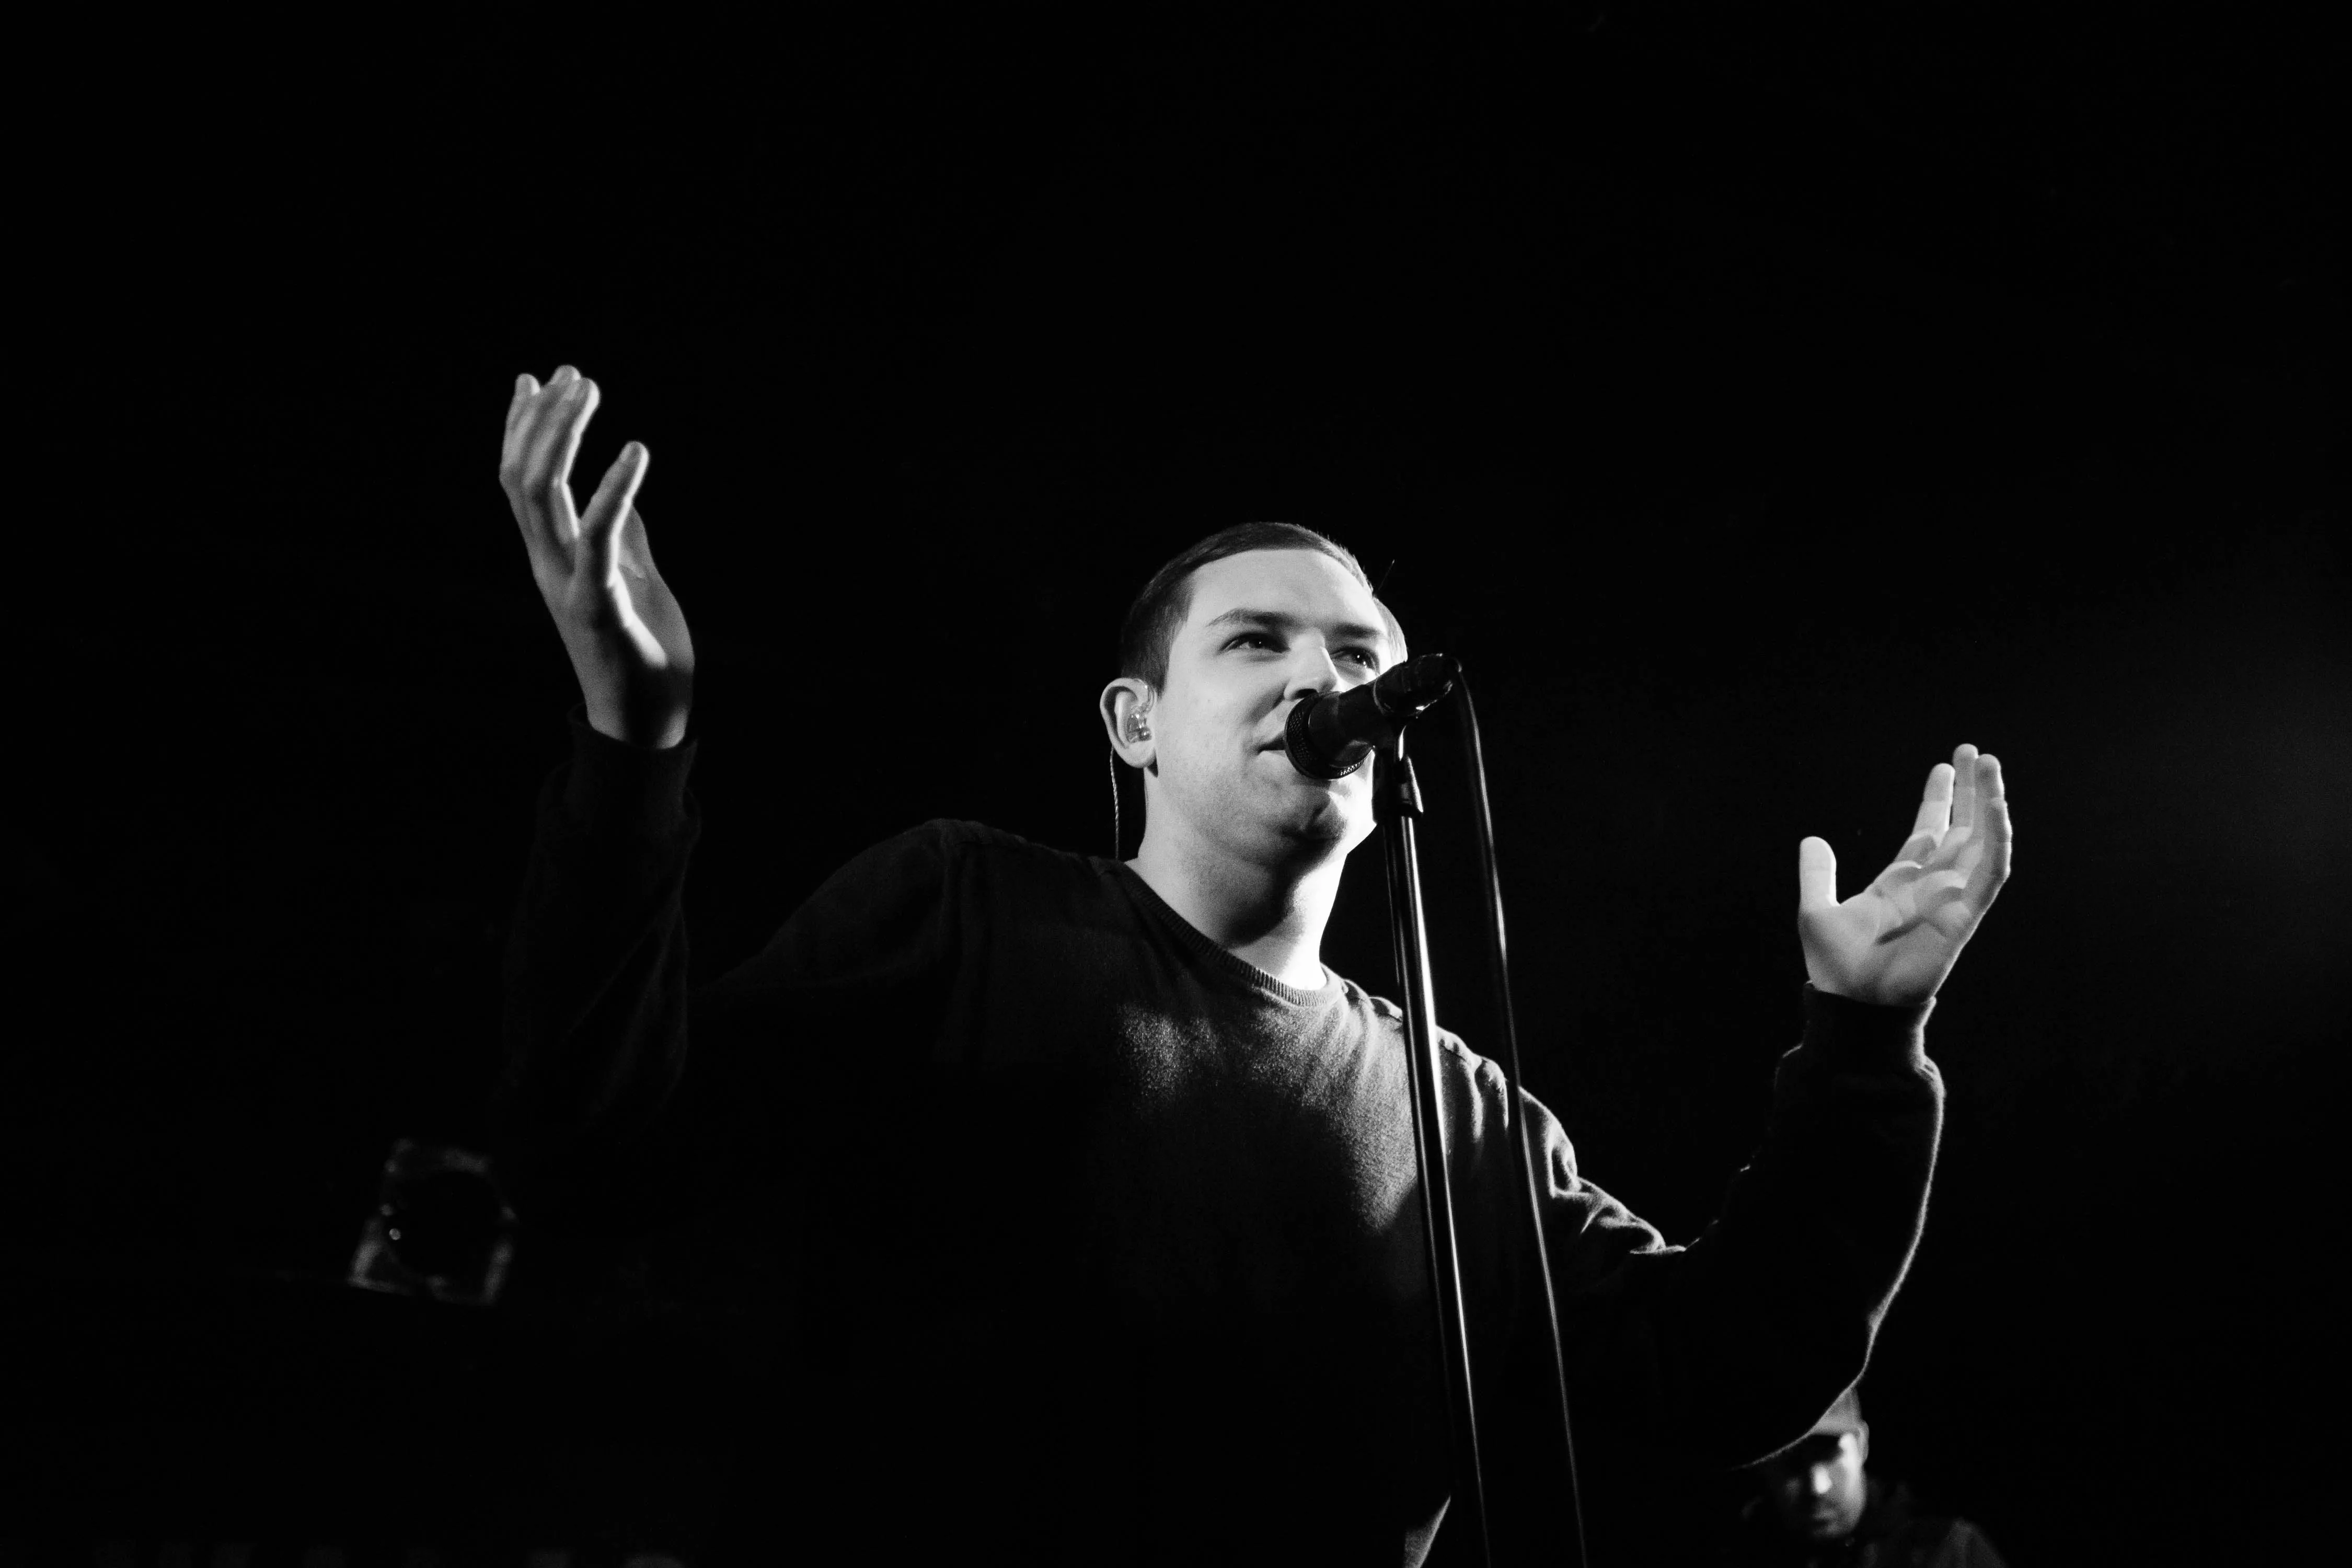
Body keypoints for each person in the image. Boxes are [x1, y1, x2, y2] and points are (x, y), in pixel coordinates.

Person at [490, 364, 2014, 1565]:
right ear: (1135, 724)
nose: (1319, 676)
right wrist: (635, 742)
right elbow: (600, 1147)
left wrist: (1865, 1037)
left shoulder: (1462, 1120)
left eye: (1357, 654)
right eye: (1254, 641)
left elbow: (1734, 1369)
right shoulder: (968, 911)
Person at [1727, 1388, 2011, 1567]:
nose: (1817, 1486)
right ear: (1760, 1466)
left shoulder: (1950, 1550)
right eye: (1791, 1465)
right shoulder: (1735, 1553)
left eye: (1830, 1455)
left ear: (1862, 1445)